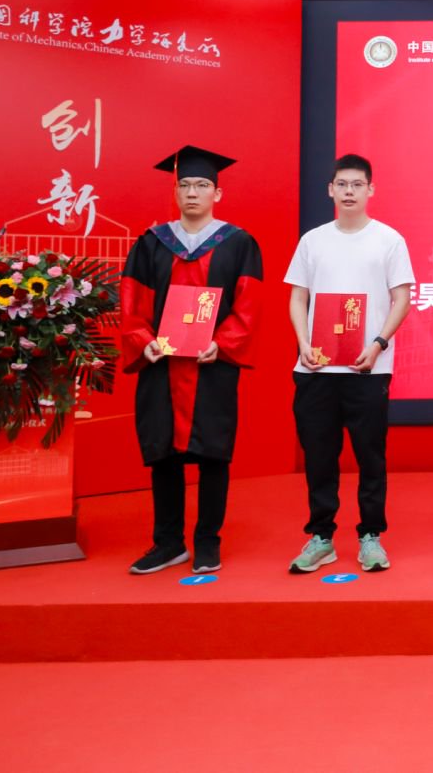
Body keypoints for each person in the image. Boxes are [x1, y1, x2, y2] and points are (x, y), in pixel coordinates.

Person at [120, 146, 264, 575]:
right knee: (163, 453)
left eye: (202, 185)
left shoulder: (238, 243)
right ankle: (168, 543)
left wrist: (223, 342)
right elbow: (133, 301)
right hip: (162, 365)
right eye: (184, 185)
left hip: (211, 364)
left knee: (213, 453)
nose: (192, 193)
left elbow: (248, 304)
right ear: (176, 192)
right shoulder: (151, 243)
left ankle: (207, 541)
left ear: (217, 193)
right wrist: (143, 340)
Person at [284, 153, 413, 574]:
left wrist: (378, 343)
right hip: (316, 369)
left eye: (358, 184)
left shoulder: (388, 239)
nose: (350, 191)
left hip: (367, 368)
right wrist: (304, 343)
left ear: (371, 189)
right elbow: (298, 297)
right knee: (320, 457)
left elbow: (402, 299)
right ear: (331, 190)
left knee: (370, 457)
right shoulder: (313, 240)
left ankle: (370, 535)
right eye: (342, 184)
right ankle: (321, 537)